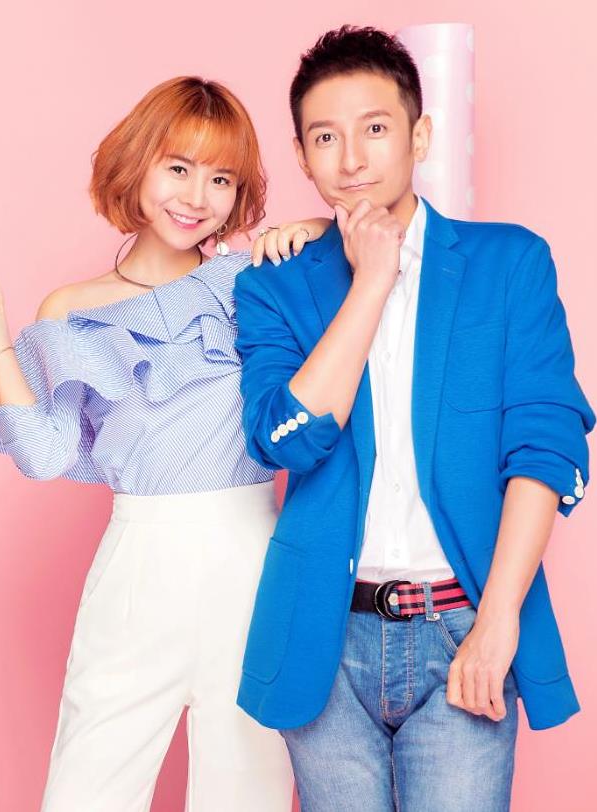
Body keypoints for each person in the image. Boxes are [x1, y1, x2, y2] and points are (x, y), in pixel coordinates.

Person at [233, 25, 595, 812]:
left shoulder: (509, 263)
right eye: (324, 137)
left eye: (374, 128)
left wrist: (497, 621)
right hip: (324, 638)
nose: (350, 159)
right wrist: (370, 281)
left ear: (418, 135)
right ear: (300, 156)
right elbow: (287, 439)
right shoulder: (272, 284)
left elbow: (544, 447)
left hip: (462, 622)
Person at [0, 75, 328, 811]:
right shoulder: (74, 309)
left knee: (250, 791)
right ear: (136, 165)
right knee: (88, 788)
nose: (197, 196)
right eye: (178, 167)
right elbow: (43, 455)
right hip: (138, 569)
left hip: (254, 564)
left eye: (221, 178)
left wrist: (311, 229)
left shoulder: (250, 280)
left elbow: (371, 239)